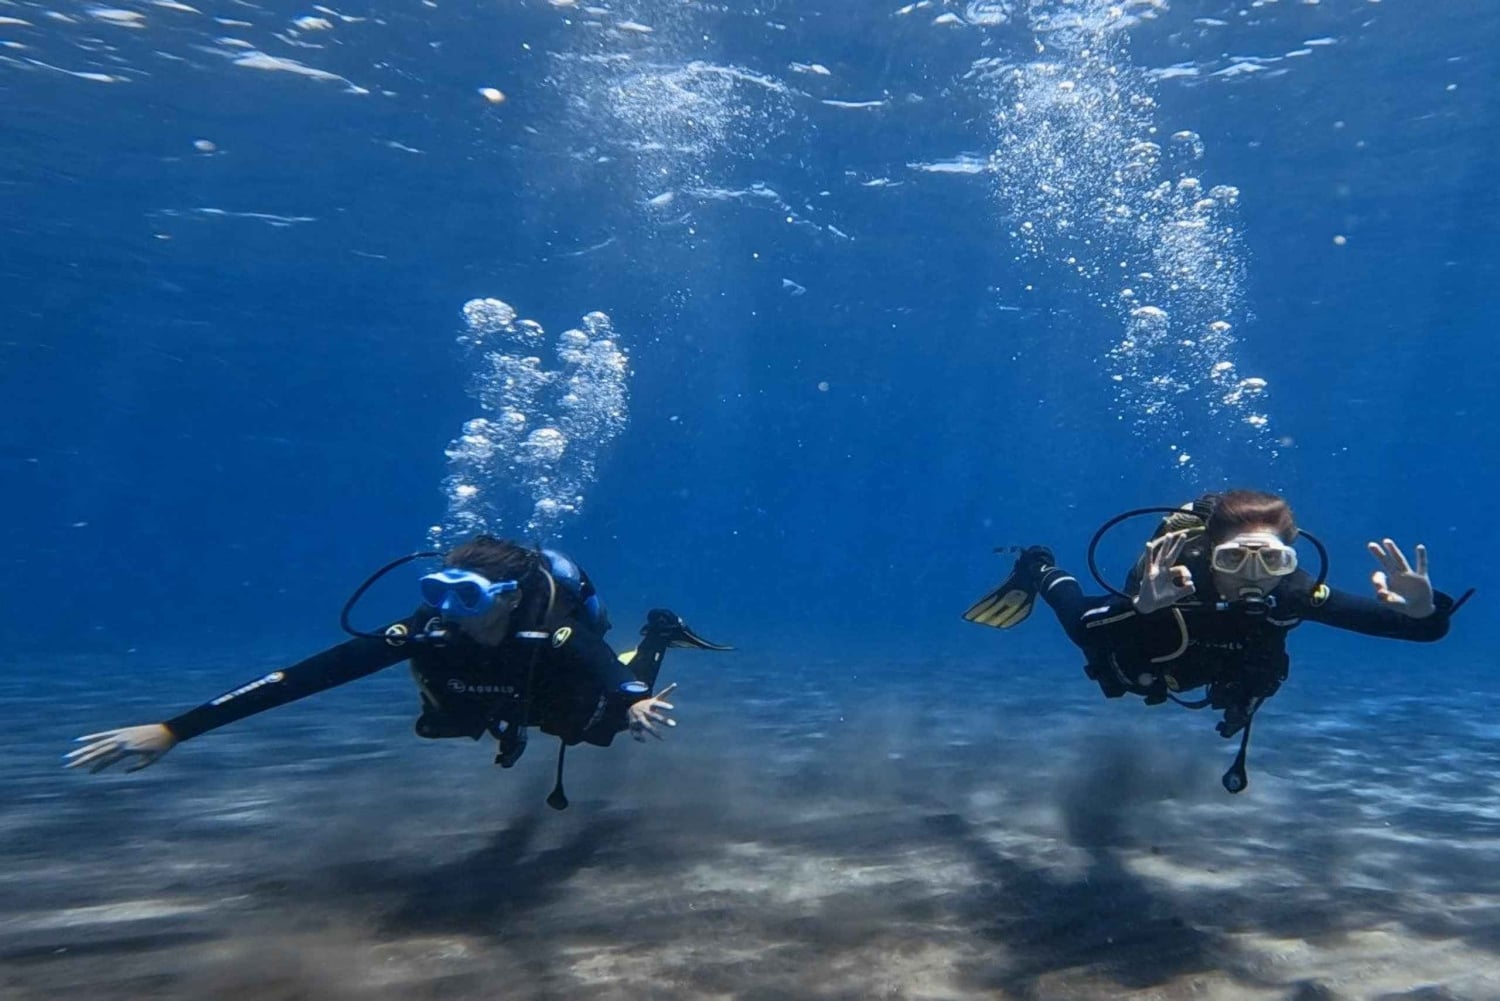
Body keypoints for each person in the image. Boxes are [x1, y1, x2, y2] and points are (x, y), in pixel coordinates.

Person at [66, 536, 730, 808]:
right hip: (492, 692)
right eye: (438, 592)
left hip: (555, 681)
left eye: (466, 598)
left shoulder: (551, 630)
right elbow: (301, 678)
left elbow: (596, 661)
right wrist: (174, 729)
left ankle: (658, 631)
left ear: (507, 599)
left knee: (597, 730)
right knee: (444, 719)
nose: (447, 612)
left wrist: (634, 698)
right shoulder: (426, 630)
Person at [964, 489, 1472, 791]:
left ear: (1290, 559)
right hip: (1146, 657)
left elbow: (1423, 632)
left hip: (1220, 672)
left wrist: (1423, 611)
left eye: (1272, 560)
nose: (1253, 575)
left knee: (1256, 677)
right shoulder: (1177, 579)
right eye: (1233, 559)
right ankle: (1039, 568)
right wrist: (1140, 607)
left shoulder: (1293, 591)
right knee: (1101, 644)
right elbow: (1081, 624)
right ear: (1210, 553)